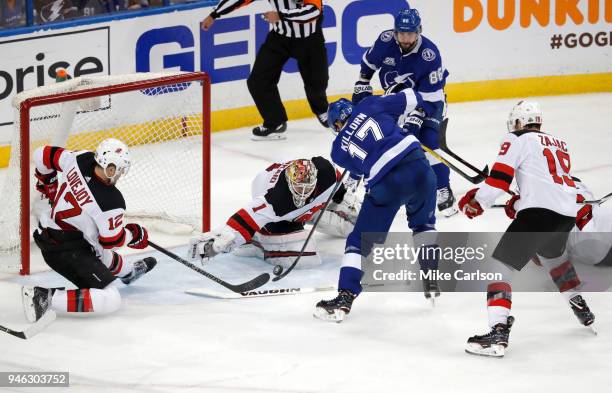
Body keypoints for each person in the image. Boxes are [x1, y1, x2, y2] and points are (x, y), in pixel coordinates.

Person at [458, 100, 595, 357]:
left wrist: (477, 202)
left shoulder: (517, 138)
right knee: (552, 257)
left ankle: (498, 331)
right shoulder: (559, 143)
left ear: (520, 123)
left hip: (538, 215)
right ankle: (579, 303)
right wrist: (520, 202)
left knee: (499, 267)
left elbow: (499, 181)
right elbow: (552, 185)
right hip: (565, 214)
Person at [313, 88, 439, 323]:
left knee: (358, 242)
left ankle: (345, 297)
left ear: (336, 126)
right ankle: (431, 277)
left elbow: (364, 167)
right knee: (424, 225)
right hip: (421, 168)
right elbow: (415, 97)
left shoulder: (337, 151)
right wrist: (391, 103)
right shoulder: (369, 104)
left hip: (388, 183)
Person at [22, 139, 157, 323]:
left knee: (97, 247)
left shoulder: (80, 158)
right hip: (66, 250)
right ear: (110, 168)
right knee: (111, 298)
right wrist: (135, 234)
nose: (118, 175)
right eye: (117, 169)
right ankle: (45, 298)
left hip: (48, 233)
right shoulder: (111, 202)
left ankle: (128, 273)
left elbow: (41, 154)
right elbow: (112, 241)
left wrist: (49, 184)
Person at [352, 8, 457, 217]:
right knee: (382, 138)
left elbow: (431, 95)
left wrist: (418, 114)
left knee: (428, 142)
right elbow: (369, 62)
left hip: (430, 102)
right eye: (401, 33)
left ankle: (443, 189)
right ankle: (363, 185)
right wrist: (363, 81)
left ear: (419, 31)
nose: (405, 38)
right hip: (398, 100)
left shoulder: (430, 54)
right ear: (395, 31)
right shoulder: (385, 40)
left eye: (410, 33)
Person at [187, 157, 360, 268]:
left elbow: (337, 185)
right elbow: (248, 217)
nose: (301, 192)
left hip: (305, 209)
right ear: (289, 182)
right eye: (298, 187)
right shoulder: (277, 199)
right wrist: (219, 242)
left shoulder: (325, 172)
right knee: (306, 258)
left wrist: (341, 199)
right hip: (281, 217)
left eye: (306, 188)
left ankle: (306, 214)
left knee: (353, 226)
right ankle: (257, 241)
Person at [201, 0, 329, 141]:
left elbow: (313, 11)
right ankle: (275, 121)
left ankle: (322, 110)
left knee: (317, 81)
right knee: (258, 81)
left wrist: (280, 15)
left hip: (310, 39)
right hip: (280, 37)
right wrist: (214, 14)